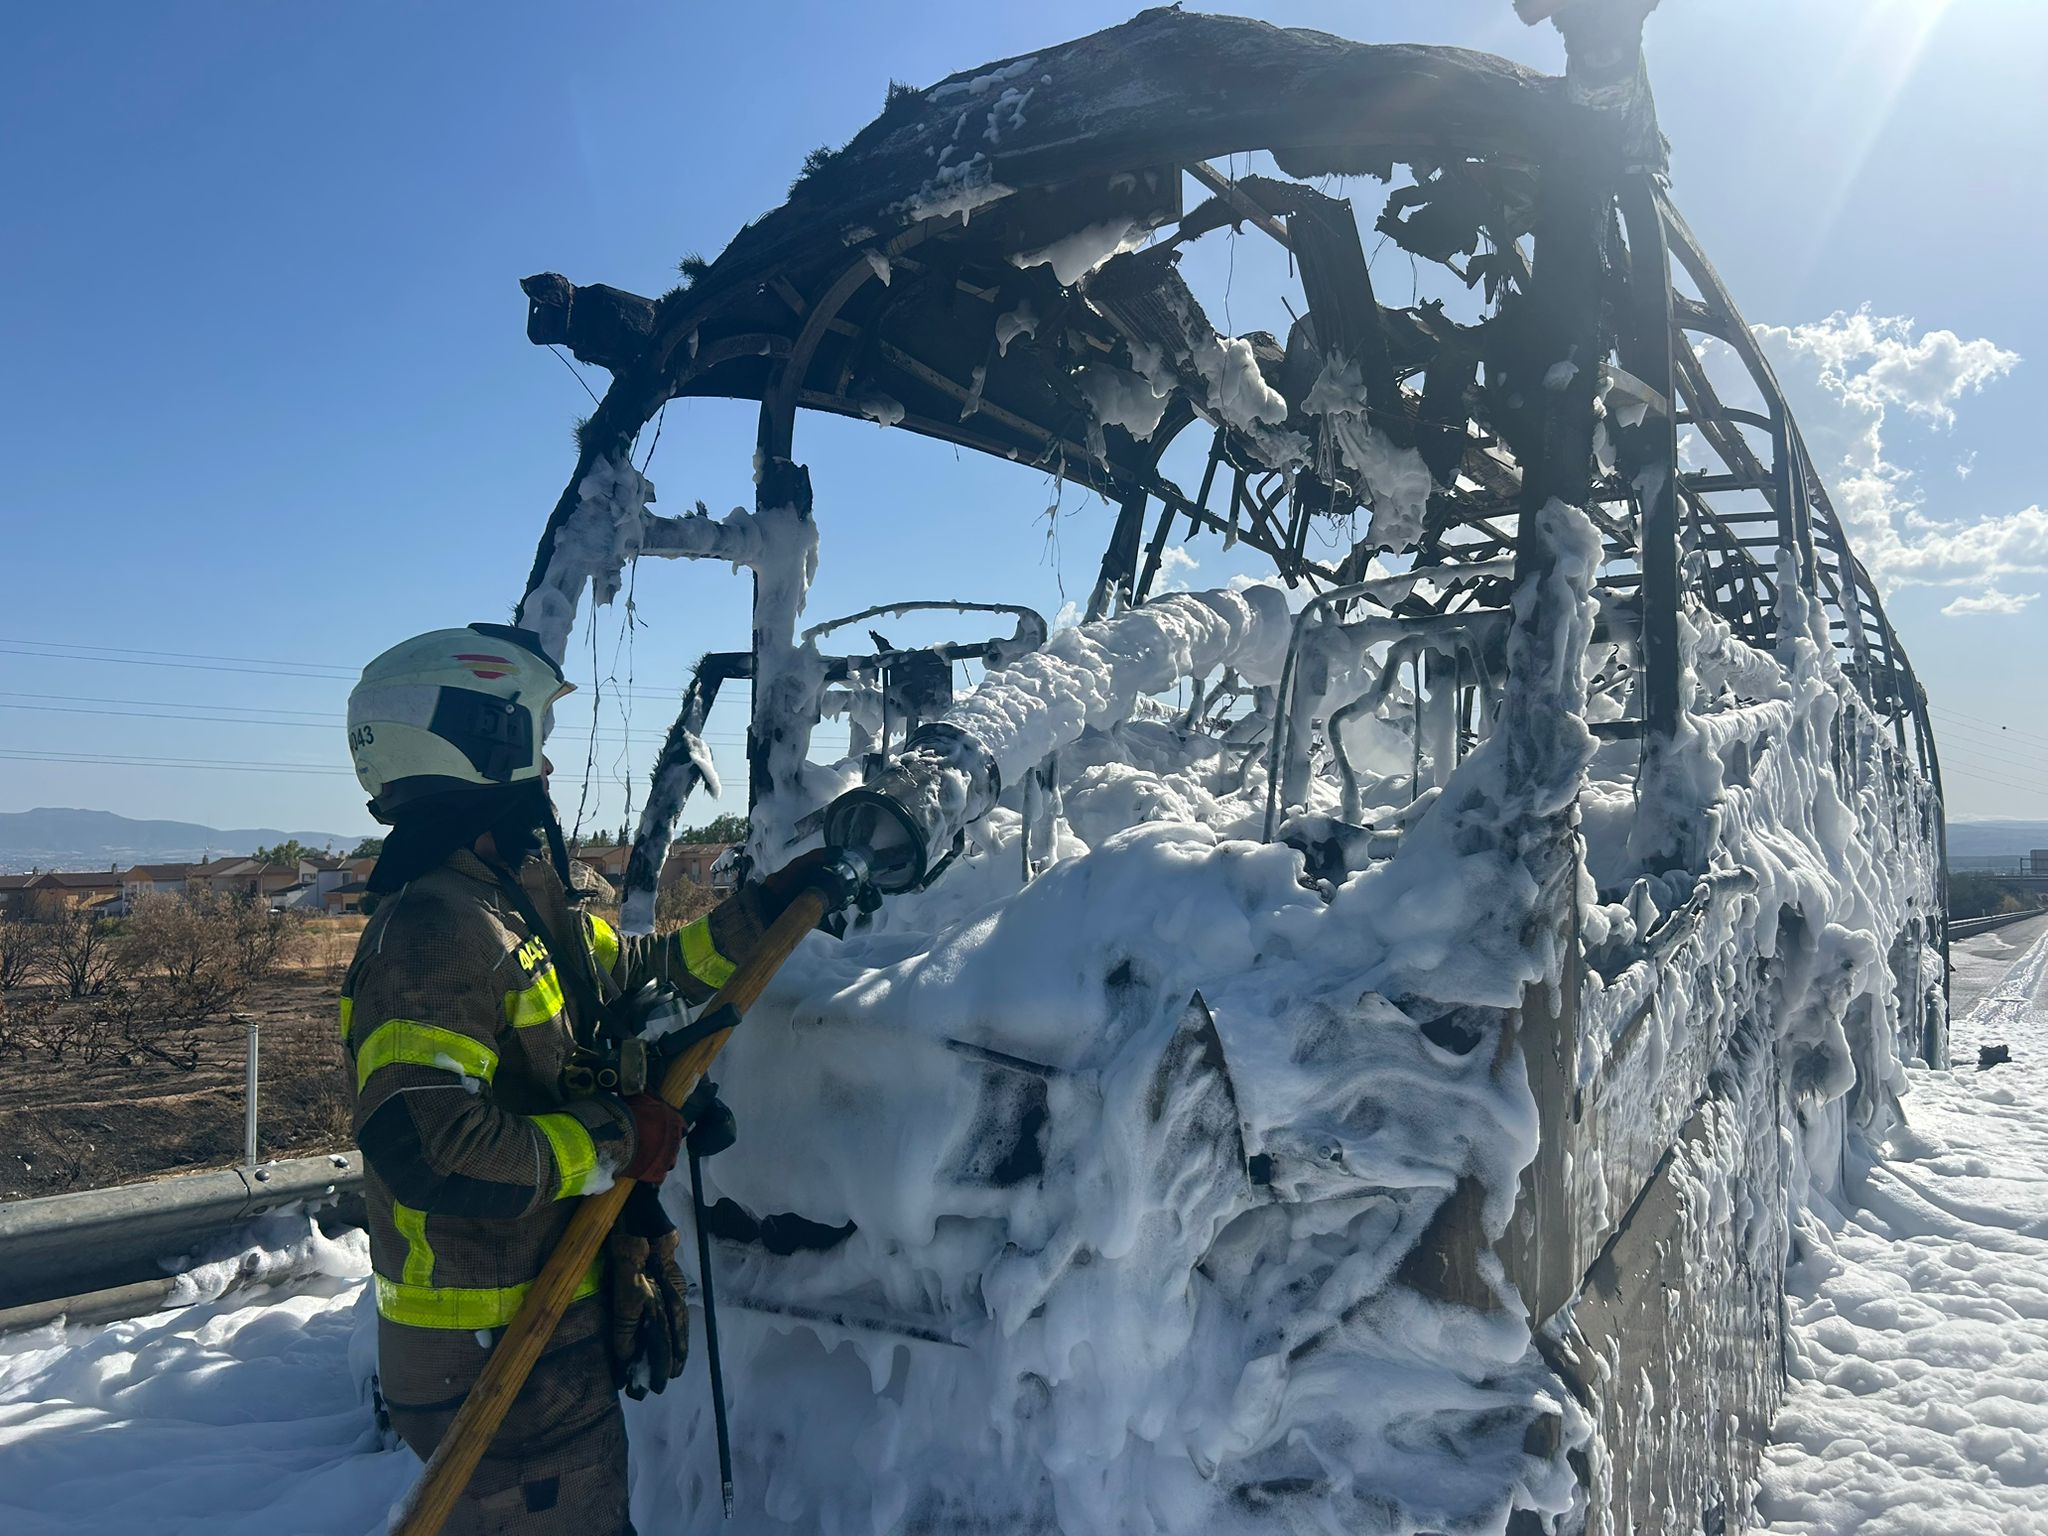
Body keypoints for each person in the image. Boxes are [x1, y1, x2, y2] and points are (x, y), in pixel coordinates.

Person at [339, 622, 824, 1534]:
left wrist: (762, 911)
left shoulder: (511, 906)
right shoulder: (432, 932)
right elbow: (429, 1148)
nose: (549, 777)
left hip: (535, 1337)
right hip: (489, 1362)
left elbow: (638, 971)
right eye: (533, 747)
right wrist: (618, 1138)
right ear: (478, 747)